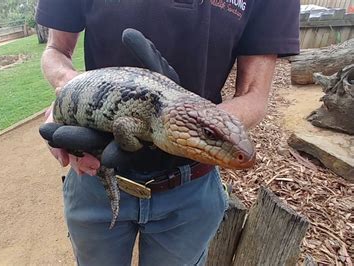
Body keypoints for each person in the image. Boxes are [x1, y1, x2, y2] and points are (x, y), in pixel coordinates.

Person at [36, 0, 300, 265]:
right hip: (93, 178)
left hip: (192, 194)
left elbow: (254, 95)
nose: (240, 156)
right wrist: (72, 92)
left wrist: (186, 111)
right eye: (208, 135)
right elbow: (56, 50)